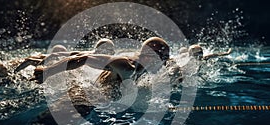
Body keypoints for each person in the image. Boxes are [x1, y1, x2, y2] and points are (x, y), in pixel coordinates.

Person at [31, 37, 170, 85]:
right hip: (90, 97)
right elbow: (84, 58)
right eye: (163, 59)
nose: (165, 64)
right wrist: (48, 72)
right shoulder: (126, 66)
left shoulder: (144, 67)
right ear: (148, 57)